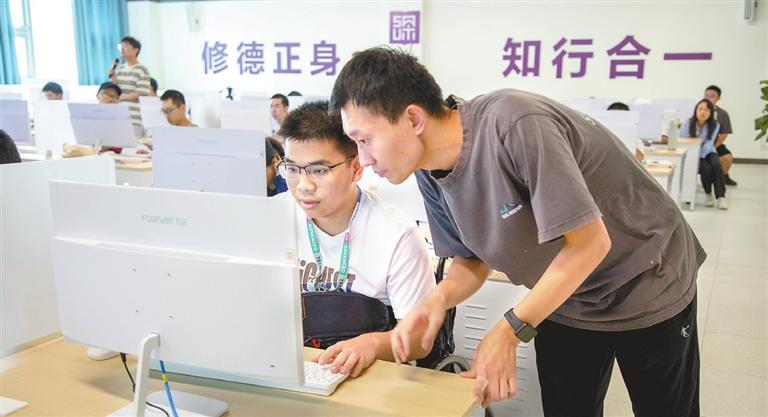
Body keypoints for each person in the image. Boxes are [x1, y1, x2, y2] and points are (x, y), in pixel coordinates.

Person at [330, 47, 704, 416]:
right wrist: (435, 302)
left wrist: (508, 331)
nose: (363, 159)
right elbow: (470, 260)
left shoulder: (515, 123)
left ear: (413, 119)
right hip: (564, 294)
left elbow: (590, 244)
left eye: (365, 140)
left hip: (646, 279)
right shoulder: (428, 170)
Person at [277, 100, 435, 377]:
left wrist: (373, 344)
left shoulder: (397, 235)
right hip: (288, 367)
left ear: (356, 168)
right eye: (292, 169)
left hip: (372, 376)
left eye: (319, 170)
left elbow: (421, 342)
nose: (303, 186)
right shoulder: (271, 217)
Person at [680, 99, 727, 210]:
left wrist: (702, 156)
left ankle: (721, 197)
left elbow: (710, 143)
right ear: (695, 111)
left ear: (711, 112)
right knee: (706, 168)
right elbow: (682, 140)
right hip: (692, 153)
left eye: (706, 110)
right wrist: (697, 156)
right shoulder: (688, 123)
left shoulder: (715, 124)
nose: (703, 112)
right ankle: (708, 194)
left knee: (716, 164)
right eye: (700, 109)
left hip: (708, 151)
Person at [109, 36, 151, 128]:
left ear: (135, 50)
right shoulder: (119, 69)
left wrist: (120, 97)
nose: (122, 49)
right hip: (118, 114)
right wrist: (113, 78)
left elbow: (141, 93)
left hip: (134, 116)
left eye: (126, 46)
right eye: (121, 46)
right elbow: (116, 91)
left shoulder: (142, 69)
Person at [704, 85, 736, 186]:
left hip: (713, 143)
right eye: (706, 95)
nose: (708, 98)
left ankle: (724, 176)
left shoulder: (722, 114)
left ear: (718, 98)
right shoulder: (697, 110)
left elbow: (723, 134)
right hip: (697, 143)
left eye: (712, 96)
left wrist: (713, 146)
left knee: (727, 157)